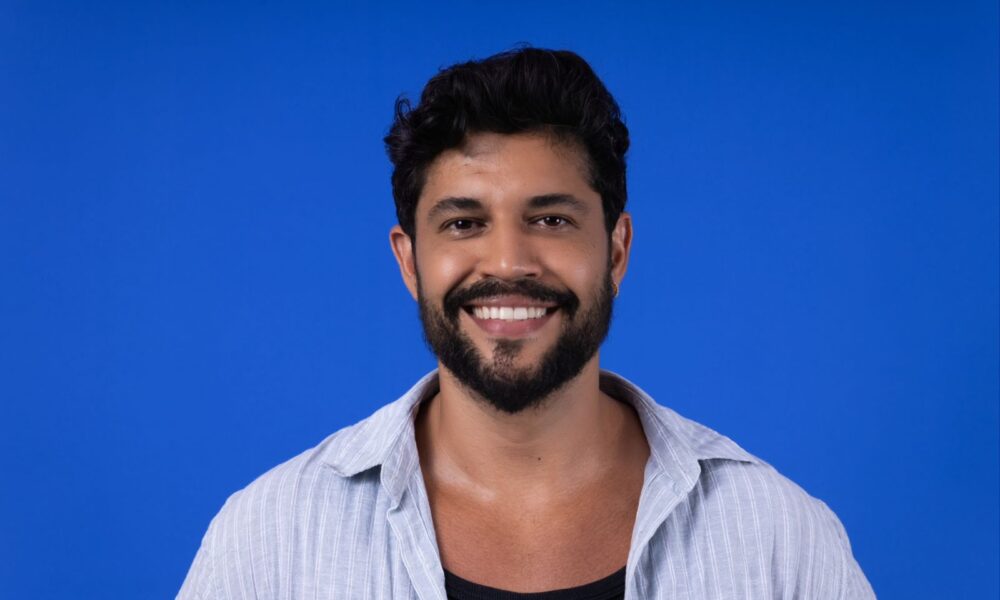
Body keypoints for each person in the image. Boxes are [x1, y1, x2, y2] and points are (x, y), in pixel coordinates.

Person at [178, 48, 874, 599]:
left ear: (617, 251)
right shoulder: (270, 541)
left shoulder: (780, 539)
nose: (509, 261)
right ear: (409, 261)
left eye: (551, 219)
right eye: (463, 223)